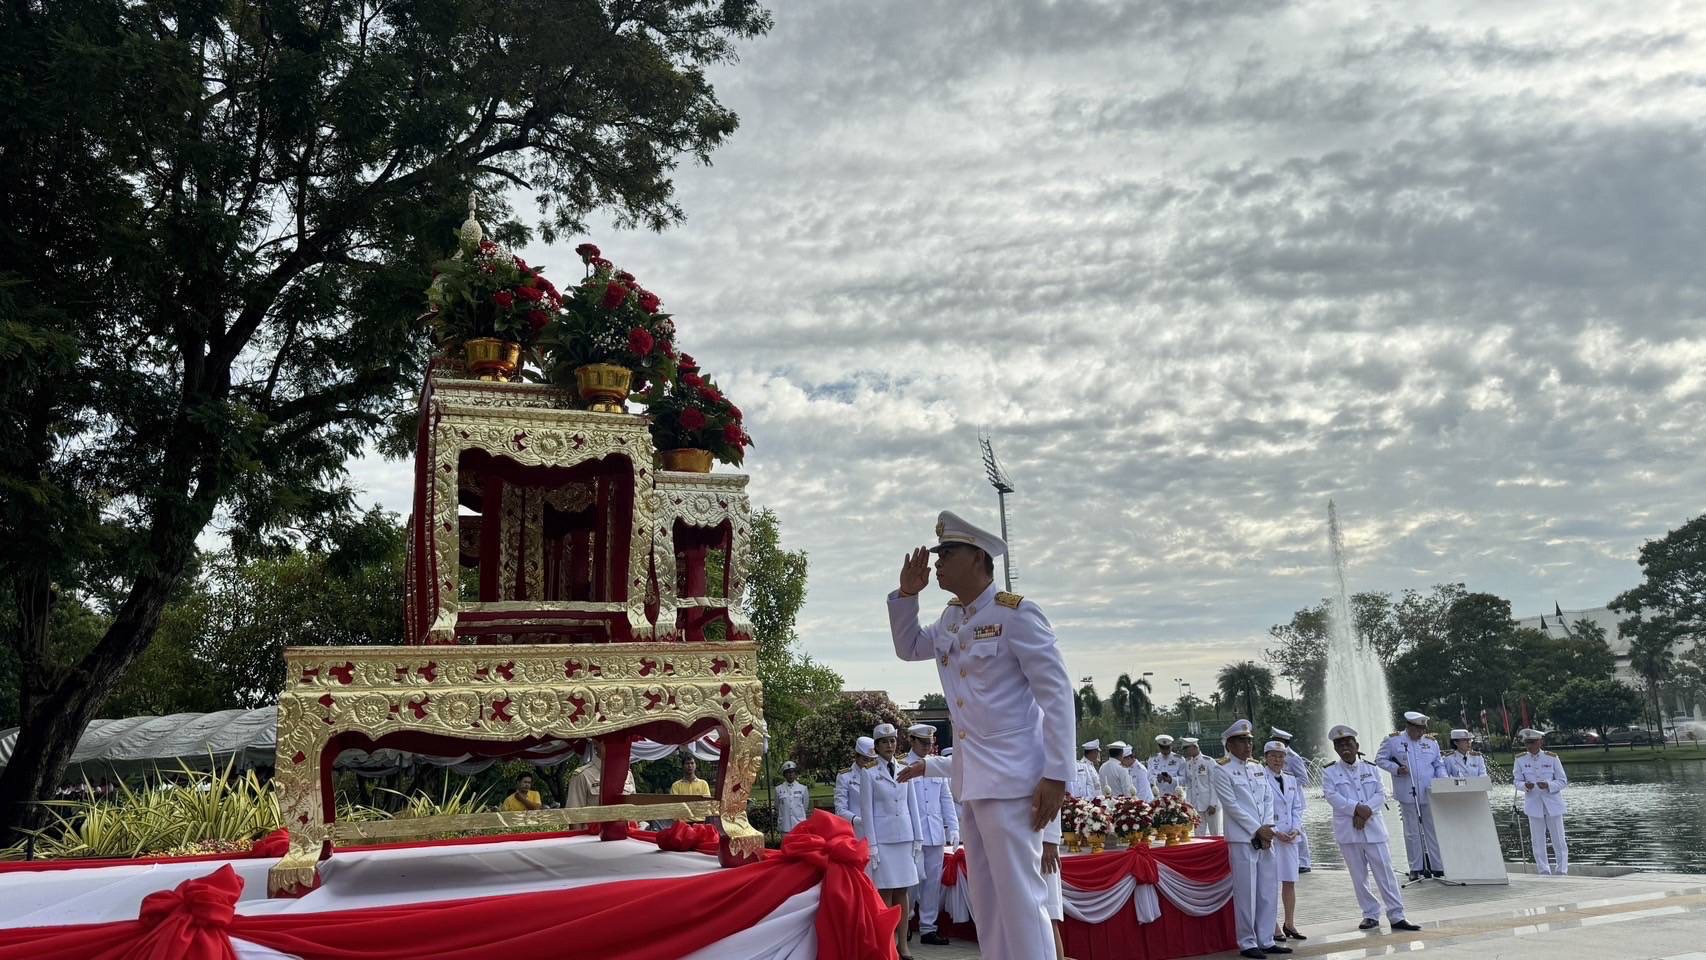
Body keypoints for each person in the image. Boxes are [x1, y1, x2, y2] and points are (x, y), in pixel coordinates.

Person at [888, 509, 1075, 960]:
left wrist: (1056, 776)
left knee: (1023, 902)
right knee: (990, 904)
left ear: (977, 558)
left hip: (1014, 781)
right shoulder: (952, 619)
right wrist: (907, 595)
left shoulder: (1018, 614)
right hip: (974, 781)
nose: (936, 563)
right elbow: (909, 647)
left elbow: (1058, 698)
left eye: (946, 553)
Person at [1321, 724, 1420, 934]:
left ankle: (1397, 915)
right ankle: (1370, 914)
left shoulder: (1370, 767)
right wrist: (1356, 809)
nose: (1344, 747)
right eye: (1339, 744)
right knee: (1359, 877)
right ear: (1336, 749)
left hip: (1374, 829)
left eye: (1348, 743)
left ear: (1357, 745)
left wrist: (1366, 811)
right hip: (1349, 831)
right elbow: (1331, 796)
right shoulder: (1330, 772)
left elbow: (1381, 792)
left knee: (1385, 873)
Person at [1211, 719, 1286, 959]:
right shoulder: (1221, 769)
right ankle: (1247, 941)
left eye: (1250, 741)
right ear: (1230, 744)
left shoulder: (1256, 767)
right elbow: (1231, 806)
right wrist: (1257, 829)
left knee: (1267, 889)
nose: (1248, 745)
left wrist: (1266, 828)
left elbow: (1267, 798)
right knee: (1246, 892)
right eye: (1242, 741)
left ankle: (1266, 938)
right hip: (1243, 839)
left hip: (1264, 836)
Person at [858, 722, 924, 960]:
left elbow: (912, 805)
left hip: (904, 837)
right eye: (884, 742)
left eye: (892, 741)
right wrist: (872, 845)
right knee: (885, 893)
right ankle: (887, 944)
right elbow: (867, 812)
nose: (889, 745)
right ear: (876, 747)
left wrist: (918, 837)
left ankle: (903, 945)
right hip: (883, 841)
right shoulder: (869, 773)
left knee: (903, 891)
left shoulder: (906, 769)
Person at [1374, 711, 1447, 879]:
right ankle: (1416, 867)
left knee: (1432, 830)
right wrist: (1396, 769)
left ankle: (1438, 866)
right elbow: (1380, 759)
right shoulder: (1393, 740)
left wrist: (1443, 779)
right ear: (1408, 726)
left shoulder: (1431, 743)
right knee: (1412, 831)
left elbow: (1438, 763)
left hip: (1429, 791)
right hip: (1407, 792)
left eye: (1423, 729)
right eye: (1417, 729)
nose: (1420, 733)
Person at [906, 723, 960, 947]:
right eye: (923, 742)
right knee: (910, 881)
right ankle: (906, 921)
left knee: (932, 883)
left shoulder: (936, 766)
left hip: (935, 832)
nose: (928, 746)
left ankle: (928, 928)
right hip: (911, 834)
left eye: (930, 743)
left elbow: (946, 799)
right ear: (912, 741)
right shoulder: (903, 765)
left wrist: (953, 827)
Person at [1263, 741, 1307, 944]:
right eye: (1273, 756)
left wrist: (1296, 828)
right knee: (1270, 883)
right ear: (1266, 757)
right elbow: (1260, 809)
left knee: (1289, 881)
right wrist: (1275, 831)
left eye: (1281, 756)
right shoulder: (1260, 778)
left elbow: (1297, 807)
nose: (1278, 760)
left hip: (1290, 836)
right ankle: (1273, 925)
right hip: (1272, 837)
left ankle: (1290, 922)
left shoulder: (1289, 780)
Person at [1512, 728, 1568, 875]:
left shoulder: (1552, 758)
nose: (1529, 746)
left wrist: (1549, 785)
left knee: (1559, 840)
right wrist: (1525, 786)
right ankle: (1543, 870)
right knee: (1537, 841)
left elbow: (1562, 781)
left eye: (1532, 742)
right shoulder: (1520, 759)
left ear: (1540, 742)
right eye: (1527, 743)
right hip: (1533, 803)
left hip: (1552, 803)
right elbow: (1516, 781)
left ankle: (1562, 870)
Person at [1269, 727, 1313, 872]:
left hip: (1294, 797)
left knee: (1299, 829)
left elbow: (1303, 778)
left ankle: (1304, 862)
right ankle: (1292, 861)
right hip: (1280, 798)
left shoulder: (1294, 758)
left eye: (1277, 740)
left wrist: (1287, 781)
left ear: (1284, 742)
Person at [565, 741, 638, 825]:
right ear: (595, 742)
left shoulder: (627, 774)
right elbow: (574, 818)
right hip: (594, 837)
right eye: (606, 738)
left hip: (625, 835)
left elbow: (634, 812)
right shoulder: (582, 776)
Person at [1181, 737, 1221, 837]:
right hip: (1196, 805)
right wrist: (1189, 804)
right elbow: (1189, 785)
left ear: (1194, 747)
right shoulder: (1188, 764)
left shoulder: (1208, 761)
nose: (1185, 751)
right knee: (1198, 835)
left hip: (1209, 804)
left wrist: (1213, 804)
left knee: (1215, 834)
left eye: (1187, 748)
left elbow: (1214, 783)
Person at [836, 737, 878, 823]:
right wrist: (857, 820)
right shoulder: (845, 777)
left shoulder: (878, 774)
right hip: (857, 827)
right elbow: (840, 809)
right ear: (856, 757)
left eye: (872, 760)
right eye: (865, 760)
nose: (869, 764)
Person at [670, 754, 714, 821]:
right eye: (687, 763)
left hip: (700, 822)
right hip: (681, 823)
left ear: (695, 765)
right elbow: (674, 806)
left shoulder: (703, 784)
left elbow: (707, 804)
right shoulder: (676, 785)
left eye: (692, 763)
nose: (690, 766)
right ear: (682, 766)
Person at [774, 760, 811, 836]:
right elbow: (777, 806)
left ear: (795, 774)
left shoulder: (803, 788)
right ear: (784, 775)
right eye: (788, 773)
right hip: (785, 825)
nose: (790, 775)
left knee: (800, 846)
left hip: (799, 824)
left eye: (792, 772)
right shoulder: (778, 789)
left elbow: (805, 807)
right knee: (786, 846)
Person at [1149, 734, 1187, 798]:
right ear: (1159, 747)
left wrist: (1171, 780)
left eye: (1167, 747)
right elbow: (1149, 776)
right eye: (1162, 748)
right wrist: (1157, 779)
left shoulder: (1179, 759)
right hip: (1158, 795)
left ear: (1171, 746)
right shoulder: (1153, 759)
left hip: (1175, 795)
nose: (1165, 750)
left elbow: (1184, 779)